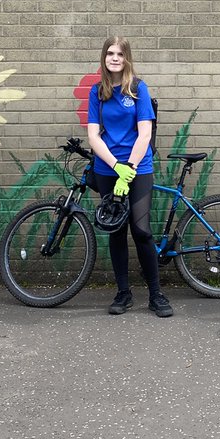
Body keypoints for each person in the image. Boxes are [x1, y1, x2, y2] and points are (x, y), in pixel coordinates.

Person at [87, 36, 173, 318]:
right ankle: (123, 293)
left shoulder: (138, 88)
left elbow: (145, 132)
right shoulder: (97, 91)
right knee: (116, 231)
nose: (114, 58)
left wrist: (130, 170)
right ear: (104, 57)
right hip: (107, 170)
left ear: (126, 58)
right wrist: (115, 166)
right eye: (110, 53)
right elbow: (93, 135)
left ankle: (156, 294)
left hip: (139, 169)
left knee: (142, 231)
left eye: (119, 54)